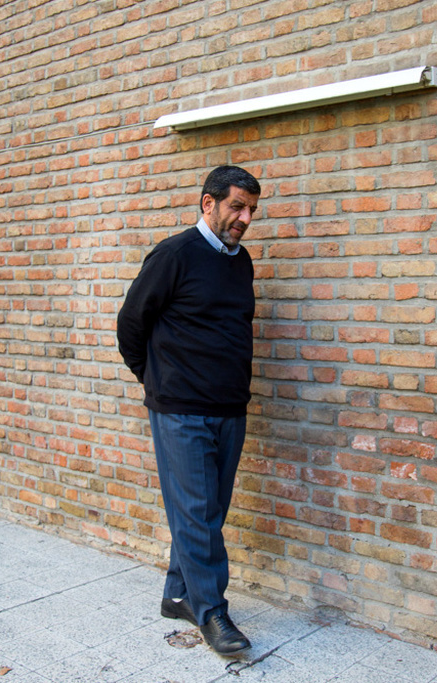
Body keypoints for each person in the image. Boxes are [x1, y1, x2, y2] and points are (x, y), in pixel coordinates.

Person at [116, 165, 262, 656]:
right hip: (181, 410)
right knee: (198, 513)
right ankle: (212, 613)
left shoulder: (241, 262)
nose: (244, 218)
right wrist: (156, 380)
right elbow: (131, 323)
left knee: (208, 511)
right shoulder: (174, 254)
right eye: (237, 206)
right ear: (208, 203)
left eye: (251, 210)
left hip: (230, 408)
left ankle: (178, 593)